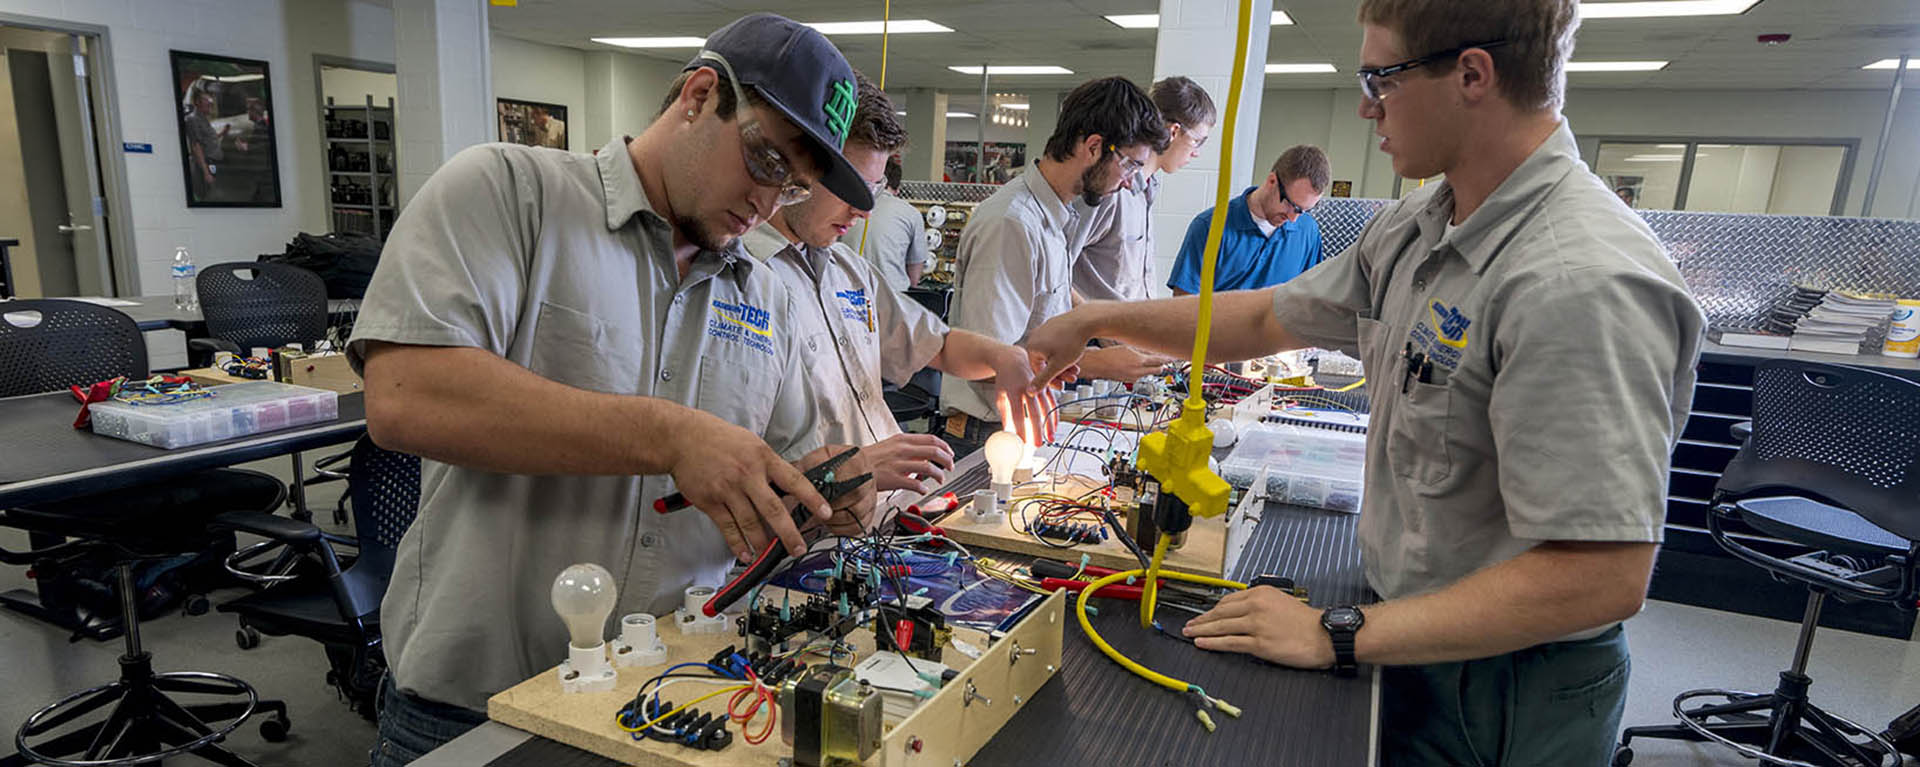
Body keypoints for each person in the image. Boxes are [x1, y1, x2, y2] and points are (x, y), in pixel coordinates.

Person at [1022, 0, 1705, 763]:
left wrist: (1335, 632)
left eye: (1381, 77)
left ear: (1472, 75)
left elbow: (1601, 577)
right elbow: (1263, 319)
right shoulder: (1419, 225)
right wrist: (1090, 321)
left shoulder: (1580, 279)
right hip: (1407, 630)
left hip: (1507, 687)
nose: (1363, 104)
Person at [348, 14, 881, 764]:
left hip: (671, 702)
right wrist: (669, 435)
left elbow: (771, 478)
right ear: (699, 96)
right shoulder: (510, 193)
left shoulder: (771, 297)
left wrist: (822, 498)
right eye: (765, 160)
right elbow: (406, 395)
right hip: (473, 715)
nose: (769, 203)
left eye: (793, 186)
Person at [746, 74, 1054, 505]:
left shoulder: (849, 272)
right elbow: (739, 464)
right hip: (820, 532)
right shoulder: (744, 281)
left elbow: (937, 346)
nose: (861, 210)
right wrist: (855, 467)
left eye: (871, 189)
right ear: (801, 165)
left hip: (898, 515)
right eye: (849, 186)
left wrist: (1004, 357)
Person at [941, 76, 1176, 452]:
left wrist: (1115, 330)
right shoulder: (1011, 222)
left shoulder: (1054, 216)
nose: (1131, 182)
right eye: (1130, 166)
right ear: (1094, 146)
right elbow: (995, 354)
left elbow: (1051, 298)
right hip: (987, 434)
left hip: (1024, 424)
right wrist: (1102, 363)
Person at [1071, 76, 1216, 303]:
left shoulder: (1147, 191)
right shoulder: (1111, 189)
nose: (1196, 152)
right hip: (1094, 336)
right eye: (1198, 141)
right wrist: (1098, 331)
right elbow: (1053, 271)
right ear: (1174, 131)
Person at [1166, 144, 1329, 295]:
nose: (1293, 218)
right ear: (1272, 181)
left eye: (1303, 210)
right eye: (1290, 204)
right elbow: (1184, 302)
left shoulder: (1308, 230)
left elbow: (1309, 297)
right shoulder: (1210, 226)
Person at [839, 156, 929, 292]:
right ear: (897, 189)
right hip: (893, 295)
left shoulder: (846, 207)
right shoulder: (911, 213)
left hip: (847, 292)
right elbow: (915, 272)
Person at [183, 90, 227, 201]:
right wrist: (206, 172)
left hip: (213, 163)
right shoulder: (193, 120)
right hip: (206, 165)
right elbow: (196, 146)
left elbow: (208, 139)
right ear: (198, 102)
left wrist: (223, 132)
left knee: (216, 194)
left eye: (210, 100)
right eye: (206, 100)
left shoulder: (203, 119)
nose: (210, 103)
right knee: (210, 197)